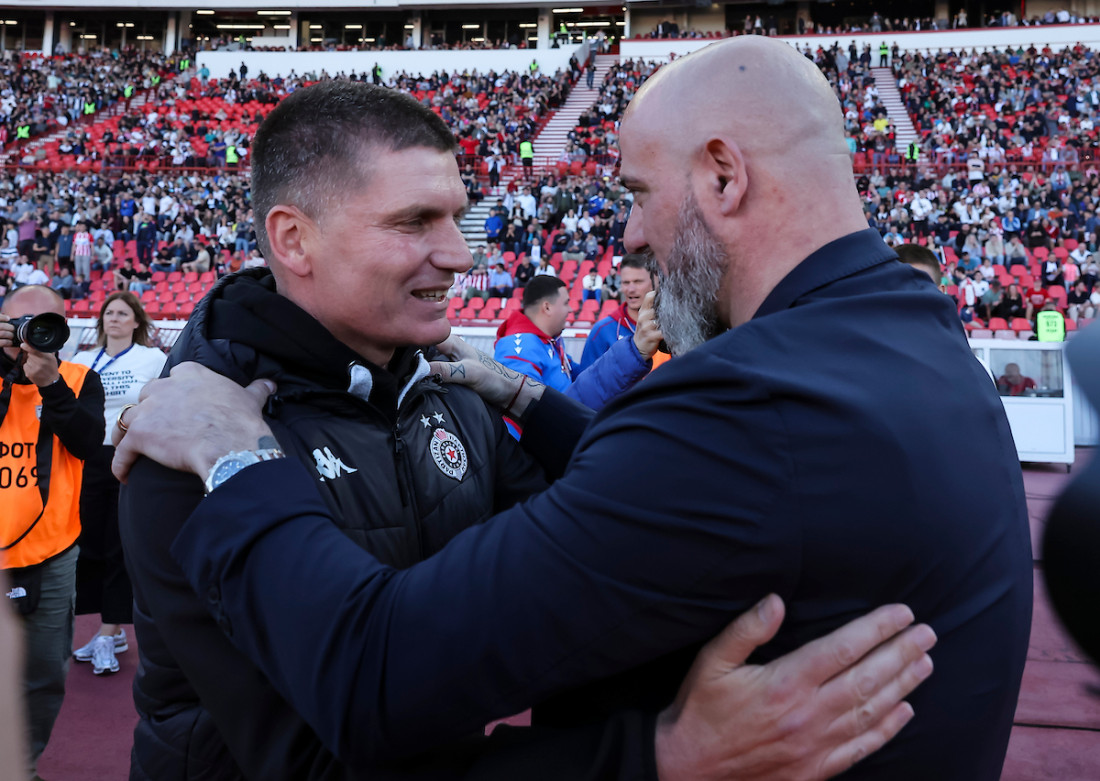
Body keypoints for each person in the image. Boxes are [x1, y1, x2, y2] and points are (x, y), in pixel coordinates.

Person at [118, 39, 1030, 780]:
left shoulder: (744, 405)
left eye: (636, 193)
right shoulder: (918, 340)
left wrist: (666, 757)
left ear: (723, 177)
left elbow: (375, 669)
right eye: (414, 222)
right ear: (293, 238)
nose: (460, 254)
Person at [0, 285, 105, 779]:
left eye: (41, 324)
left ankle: (21, 768)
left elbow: (87, 444)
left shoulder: (80, 378)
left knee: (43, 676)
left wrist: (51, 386)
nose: (28, 336)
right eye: (17, 324)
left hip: (51, 551)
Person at [69, 292, 166, 675]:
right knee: (89, 544)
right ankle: (106, 628)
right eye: (109, 312)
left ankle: (109, 633)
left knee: (118, 543)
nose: (114, 318)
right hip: (84, 459)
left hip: (127, 457)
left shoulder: (152, 359)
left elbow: (161, 406)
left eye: (123, 313)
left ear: (136, 321)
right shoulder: (80, 361)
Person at [494, 275, 654, 410]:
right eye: (566, 303)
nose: (570, 310)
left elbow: (581, 376)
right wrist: (631, 354)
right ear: (547, 308)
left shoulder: (550, 342)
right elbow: (530, 419)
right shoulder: (519, 350)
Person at [580, 253, 655, 369]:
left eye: (638, 282)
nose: (630, 289)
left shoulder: (670, 327)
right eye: (626, 282)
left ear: (654, 283)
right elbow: (586, 378)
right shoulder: (602, 331)